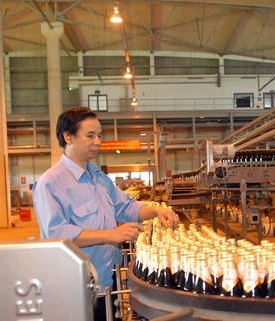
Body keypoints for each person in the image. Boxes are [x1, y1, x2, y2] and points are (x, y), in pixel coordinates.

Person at [33, 107, 179, 321]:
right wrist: (112, 235)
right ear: (68, 137)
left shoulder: (99, 178)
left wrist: (157, 210)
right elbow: (58, 235)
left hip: (108, 280)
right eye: (90, 135)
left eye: (99, 135)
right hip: (75, 288)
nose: (98, 141)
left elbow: (127, 207)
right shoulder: (50, 183)